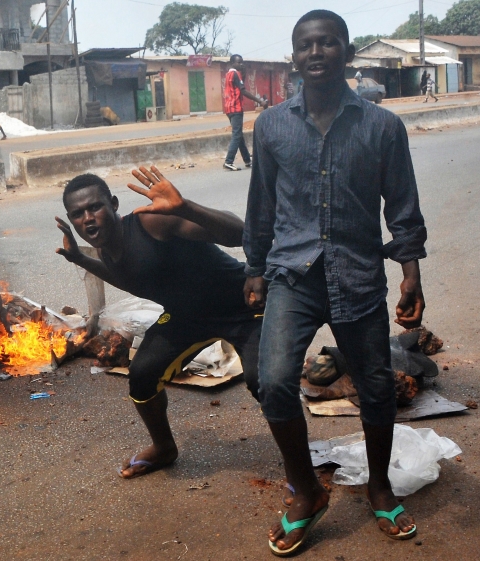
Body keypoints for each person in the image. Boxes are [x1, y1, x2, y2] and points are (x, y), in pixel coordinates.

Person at [243, 10, 425, 556]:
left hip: (359, 275)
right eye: (306, 45)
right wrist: (254, 267)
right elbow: (262, 206)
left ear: (347, 51)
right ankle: (307, 492)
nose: (316, 52)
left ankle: (379, 485)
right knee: (273, 380)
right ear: (293, 56)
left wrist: (411, 273)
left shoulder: (382, 126)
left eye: (327, 43)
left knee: (375, 387)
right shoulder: (270, 126)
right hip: (292, 277)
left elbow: (402, 204)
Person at [56, 167, 263, 479]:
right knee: (141, 374)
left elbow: (239, 233)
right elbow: (133, 280)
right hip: (186, 316)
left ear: (113, 204)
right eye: (77, 213)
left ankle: (299, 472)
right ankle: (164, 448)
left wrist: (186, 207)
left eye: (94, 207)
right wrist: (81, 259)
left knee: (265, 381)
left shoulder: (150, 223)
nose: (87, 218)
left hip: (241, 306)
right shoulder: (105, 246)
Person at [223, 54, 268, 172]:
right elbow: (243, 90)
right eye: (239, 62)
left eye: (242, 62)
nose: (241, 64)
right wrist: (260, 101)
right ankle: (228, 161)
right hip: (236, 108)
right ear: (232, 63)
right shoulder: (235, 74)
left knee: (239, 135)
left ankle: (247, 160)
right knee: (237, 135)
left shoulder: (228, 74)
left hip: (228, 108)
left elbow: (240, 84)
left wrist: (244, 72)